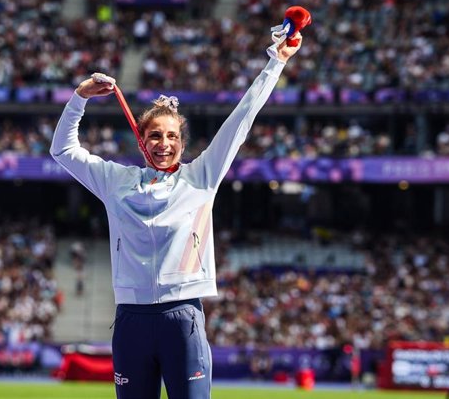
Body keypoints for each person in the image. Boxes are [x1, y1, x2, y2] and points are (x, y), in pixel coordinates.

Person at [50, 30, 302, 399]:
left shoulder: (202, 176)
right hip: (131, 320)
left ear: (182, 144)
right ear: (141, 141)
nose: (163, 144)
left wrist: (275, 61)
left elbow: (242, 119)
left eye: (171, 137)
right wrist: (79, 98)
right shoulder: (115, 181)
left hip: (181, 318)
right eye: (154, 136)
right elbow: (63, 150)